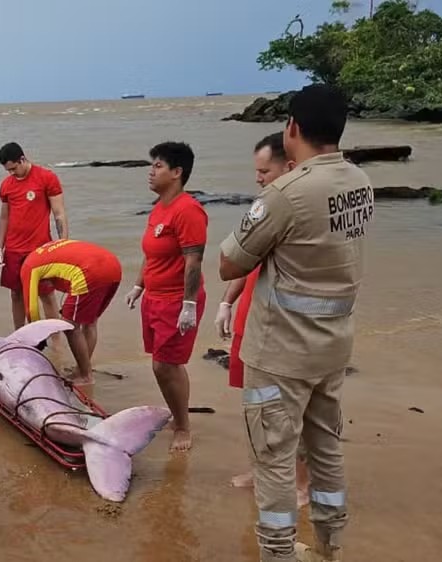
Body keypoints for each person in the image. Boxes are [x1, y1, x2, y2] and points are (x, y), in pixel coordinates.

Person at [218, 84, 373, 562]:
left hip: (281, 350)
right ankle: (330, 545)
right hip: (333, 345)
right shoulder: (359, 181)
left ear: (292, 129)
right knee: (326, 450)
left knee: (273, 459)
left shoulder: (286, 192)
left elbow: (229, 262)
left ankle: (278, 553)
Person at [216, 132, 310, 504]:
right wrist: (227, 302)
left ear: (289, 167)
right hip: (250, 320)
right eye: (256, 171)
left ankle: (301, 483)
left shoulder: (298, 211)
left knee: (287, 410)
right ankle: (261, 470)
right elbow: (244, 259)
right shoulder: (267, 208)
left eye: (264, 171)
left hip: (281, 326)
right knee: (254, 406)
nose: (257, 178)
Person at [124, 141, 207, 453]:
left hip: (176, 300)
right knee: (164, 365)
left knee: (165, 366)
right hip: (154, 298)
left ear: (177, 172)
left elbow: (193, 260)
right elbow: (152, 254)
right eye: (152, 165)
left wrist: (189, 304)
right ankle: (177, 413)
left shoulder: (188, 210)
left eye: (158, 166)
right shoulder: (159, 208)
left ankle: (183, 426)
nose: (151, 171)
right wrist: (139, 286)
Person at [19, 239, 122, 385]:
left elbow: (31, 308)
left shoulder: (28, 266)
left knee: (69, 326)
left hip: (89, 271)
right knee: (90, 322)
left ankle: (85, 375)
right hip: (113, 265)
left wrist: (38, 338)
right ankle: (83, 368)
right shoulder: (47, 250)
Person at [0, 142, 68, 331]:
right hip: (13, 249)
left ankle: (55, 338)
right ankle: (20, 334)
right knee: (16, 294)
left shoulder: (46, 178)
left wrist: (63, 244)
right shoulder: (7, 185)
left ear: (22, 159)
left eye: (13, 168)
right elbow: (4, 217)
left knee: (46, 294)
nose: (11, 173)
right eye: (7, 170)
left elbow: (59, 214)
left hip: (39, 249)